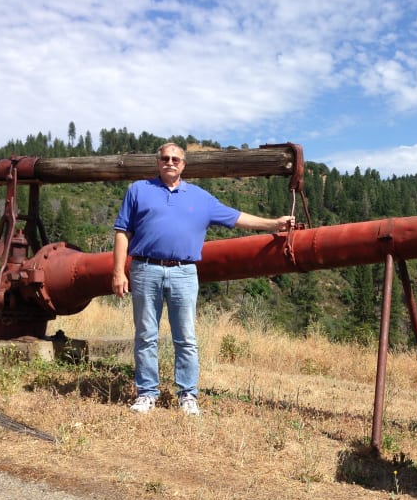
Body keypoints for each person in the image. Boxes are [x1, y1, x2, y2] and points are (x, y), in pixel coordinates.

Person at [111, 142, 294, 415]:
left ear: (183, 165)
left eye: (175, 159)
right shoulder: (138, 190)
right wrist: (117, 271)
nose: (170, 162)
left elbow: (236, 218)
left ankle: (187, 395)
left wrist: (273, 224)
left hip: (184, 272)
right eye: (165, 158)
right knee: (146, 335)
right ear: (157, 162)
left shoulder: (200, 197)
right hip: (145, 269)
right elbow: (122, 232)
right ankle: (146, 393)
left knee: (185, 337)